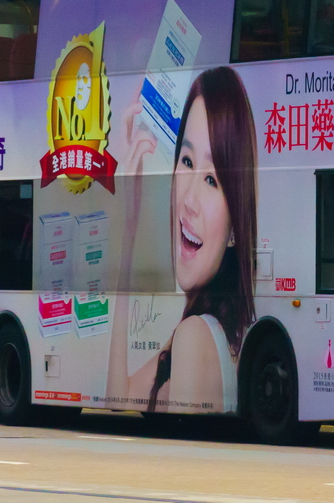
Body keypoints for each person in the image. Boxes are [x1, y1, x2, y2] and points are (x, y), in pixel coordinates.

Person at [107, 66, 257, 413]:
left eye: (212, 180)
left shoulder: (194, 335)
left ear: (236, 228)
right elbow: (118, 397)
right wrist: (128, 230)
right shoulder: (207, 329)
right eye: (187, 161)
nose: (189, 200)